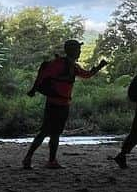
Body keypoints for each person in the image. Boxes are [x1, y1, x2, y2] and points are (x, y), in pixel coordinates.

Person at [22, 39, 107, 169]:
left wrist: (99, 67)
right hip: (56, 104)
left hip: (61, 104)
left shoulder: (71, 66)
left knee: (52, 133)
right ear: (72, 50)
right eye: (78, 49)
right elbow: (43, 75)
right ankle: (32, 159)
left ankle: (48, 161)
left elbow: (86, 74)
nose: (80, 52)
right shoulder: (61, 64)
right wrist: (34, 89)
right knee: (46, 132)